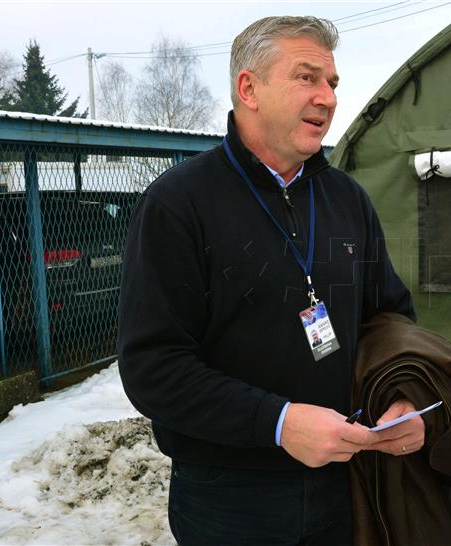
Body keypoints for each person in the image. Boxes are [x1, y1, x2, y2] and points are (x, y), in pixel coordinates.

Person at [118, 16, 422, 545]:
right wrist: (278, 423)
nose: (327, 97)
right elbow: (153, 367)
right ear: (249, 88)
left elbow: (389, 318)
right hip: (229, 495)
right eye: (307, 77)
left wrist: (402, 396)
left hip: (343, 478)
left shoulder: (346, 200)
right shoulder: (179, 204)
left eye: (332, 83)